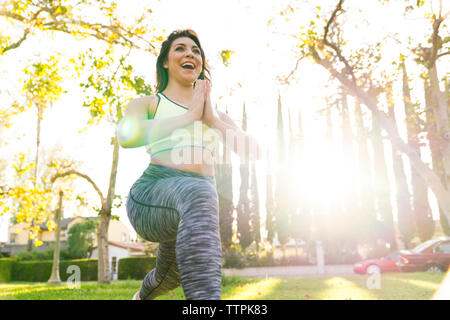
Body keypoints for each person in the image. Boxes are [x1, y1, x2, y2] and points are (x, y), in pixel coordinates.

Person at [116, 29, 262, 300]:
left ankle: (140, 298)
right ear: (165, 62)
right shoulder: (148, 103)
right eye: (180, 49)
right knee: (199, 192)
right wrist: (189, 116)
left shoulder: (215, 115)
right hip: (151, 194)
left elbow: (254, 151)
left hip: (195, 205)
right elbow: (127, 136)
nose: (190, 54)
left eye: (196, 51)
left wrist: (212, 121)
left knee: (169, 276)